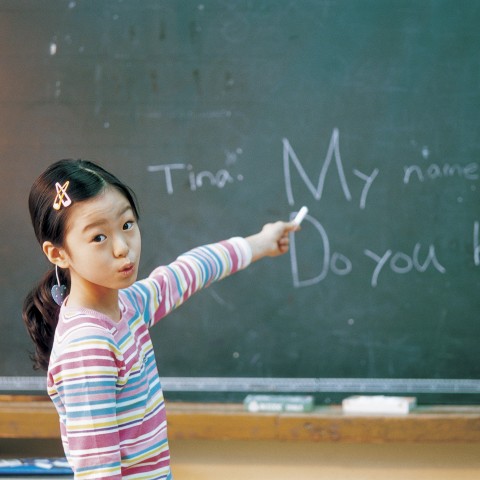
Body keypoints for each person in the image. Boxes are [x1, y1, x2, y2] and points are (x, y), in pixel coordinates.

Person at [22, 159, 297, 479]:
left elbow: (189, 271)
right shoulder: (88, 346)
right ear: (59, 254)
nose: (123, 248)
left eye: (127, 225)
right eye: (99, 238)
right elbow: (99, 472)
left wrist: (261, 243)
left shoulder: (127, 306)